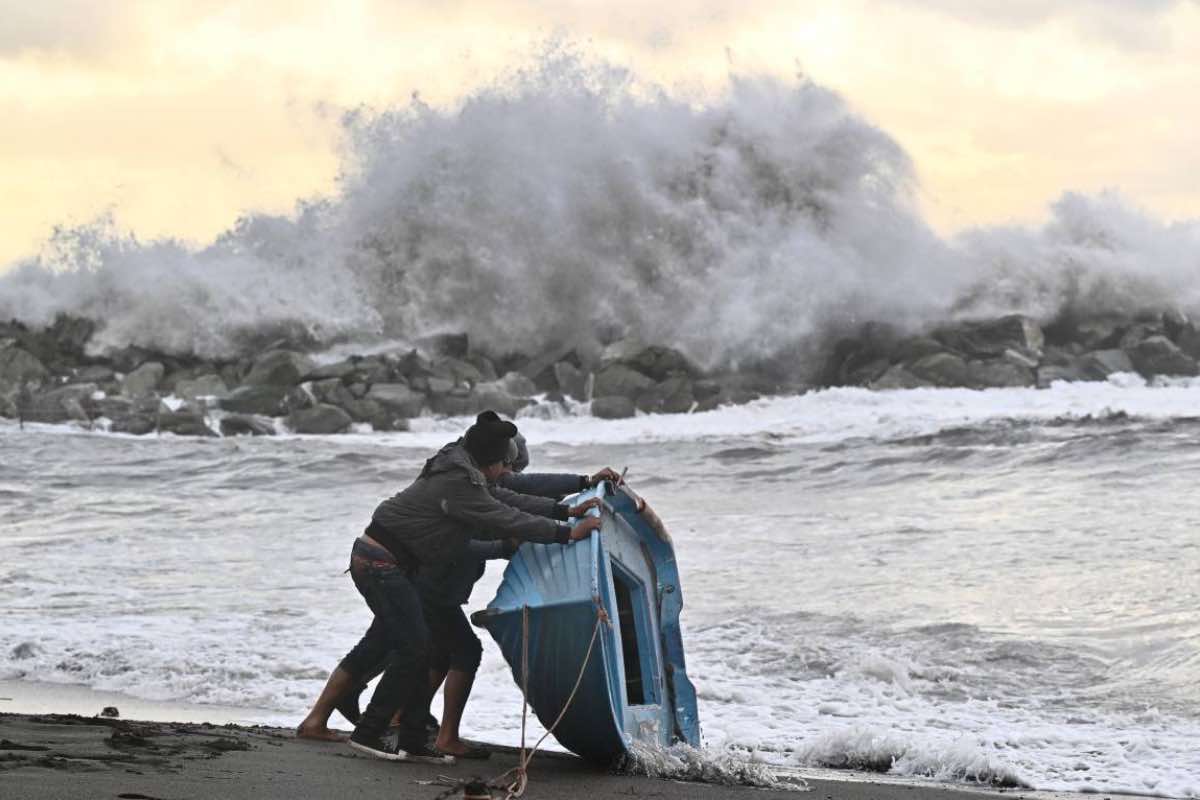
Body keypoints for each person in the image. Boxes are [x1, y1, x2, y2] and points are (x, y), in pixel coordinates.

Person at [296, 430, 618, 748]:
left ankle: (391, 725)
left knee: (396, 647)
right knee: (426, 649)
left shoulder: (466, 474)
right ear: (494, 463)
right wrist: (560, 533)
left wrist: (569, 503)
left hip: (400, 572)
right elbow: (494, 522)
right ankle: (389, 728)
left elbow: (513, 498)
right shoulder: (462, 483)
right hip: (407, 576)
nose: (510, 474)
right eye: (507, 466)